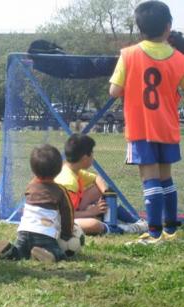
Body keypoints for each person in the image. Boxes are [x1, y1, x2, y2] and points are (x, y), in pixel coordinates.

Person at [109, 1, 184, 244]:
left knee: (149, 179)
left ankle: (153, 234)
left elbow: (114, 90)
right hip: (167, 126)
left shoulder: (129, 54)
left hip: (141, 127)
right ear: (168, 27)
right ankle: (171, 230)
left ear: (140, 28)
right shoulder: (180, 59)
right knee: (166, 178)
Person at [0, 144, 73, 263]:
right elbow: (67, 214)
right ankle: (50, 254)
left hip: (24, 231)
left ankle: (8, 251)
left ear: (33, 170)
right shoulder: (60, 191)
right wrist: (66, 234)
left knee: (20, 252)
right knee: (58, 252)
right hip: (45, 233)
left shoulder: (30, 187)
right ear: (59, 170)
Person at [55, 134, 148, 236]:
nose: (93, 157)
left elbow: (96, 178)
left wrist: (106, 195)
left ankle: (134, 221)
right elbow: (65, 215)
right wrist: (91, 212)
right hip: (58, 221)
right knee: (94, 224)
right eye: (92, 153)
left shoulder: (73, 170)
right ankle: (123, 229)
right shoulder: (69, 183)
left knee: (98, 190)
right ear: (85, 157)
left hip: (70, 212)